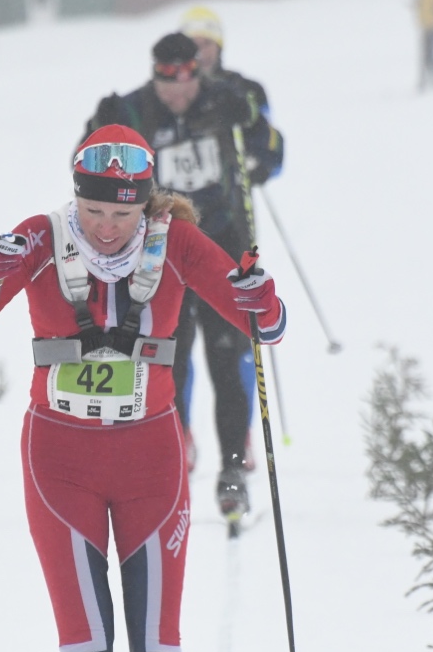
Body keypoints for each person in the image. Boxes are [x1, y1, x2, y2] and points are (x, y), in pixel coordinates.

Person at [0, 125, 287, 652]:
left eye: (121, 215)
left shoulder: (175, 241)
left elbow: (265, 327)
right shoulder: (40, 237)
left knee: (158, 651)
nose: (105, 229)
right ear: (76, 198)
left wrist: (260, 295)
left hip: (150, 463)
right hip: (58, 464)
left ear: (144, 204)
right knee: (85, 651)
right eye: (94, 212)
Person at [83, 33, 284, 523]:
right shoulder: (135, 109)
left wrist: (253, 119)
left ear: (198, 74)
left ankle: (233, 468)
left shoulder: (223, 101)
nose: (177, 94)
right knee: (165, 356)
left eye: (187, 82)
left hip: (220, 246)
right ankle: (174, 449)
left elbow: (272, 154)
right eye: (166, 83)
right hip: (160, 252)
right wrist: (100, 124)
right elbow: (88, 165)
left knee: (227, 357)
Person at [176, 6, 286, 477]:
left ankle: (237, 437)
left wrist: (259, 164)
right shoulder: (170, 95)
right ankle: (178, 435)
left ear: (219, 47)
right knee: (172, 345)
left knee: (232, 341)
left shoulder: (244, 89)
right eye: (192, 44)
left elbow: (272, 146)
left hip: (226, 230)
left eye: (207, 43)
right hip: (177, 236)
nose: (200, 53)